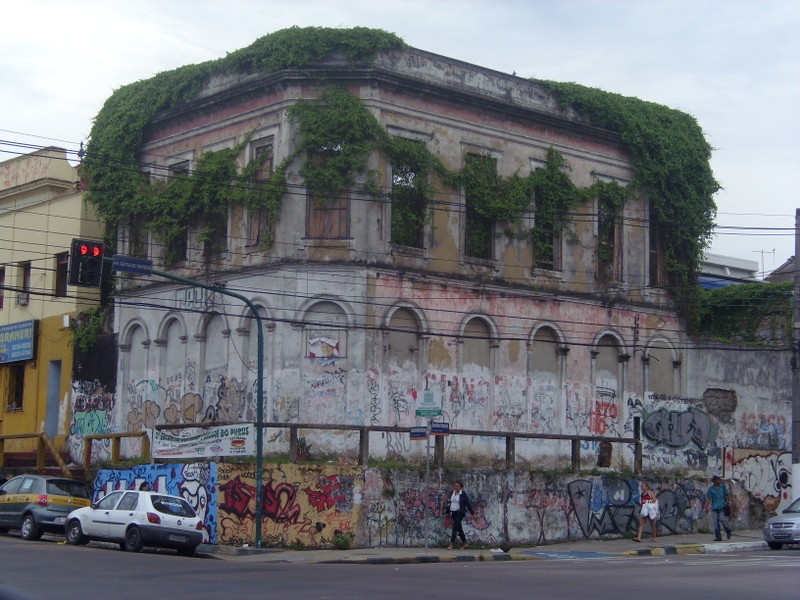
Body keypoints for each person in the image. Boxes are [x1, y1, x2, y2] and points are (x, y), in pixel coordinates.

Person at [445, 481, 473, 550]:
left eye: (457, 486)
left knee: (455, 527)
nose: (455, 487)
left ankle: (451, 544)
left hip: (460, 512)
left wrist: (472, 513)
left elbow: (467, 503)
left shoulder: (463, 494)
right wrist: (447, 512)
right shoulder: (452, 493)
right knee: (459, 528)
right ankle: (465, 543)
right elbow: (449, 502)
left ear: (460, 487)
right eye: (455, 486)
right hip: (453, 512)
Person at [706, 475, 732, 541]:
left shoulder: (722, 487)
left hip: (722, 506)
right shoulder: (711, 489)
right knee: (716, 523)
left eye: (719, 479)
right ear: (714, 481)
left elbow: (727, 495)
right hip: (715, 507)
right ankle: (718, 537)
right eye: (718, 480)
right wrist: (706, 507)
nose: (719, 481)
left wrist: (729, 502)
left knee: (722, 519)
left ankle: (728, 530)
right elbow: (709, 499)